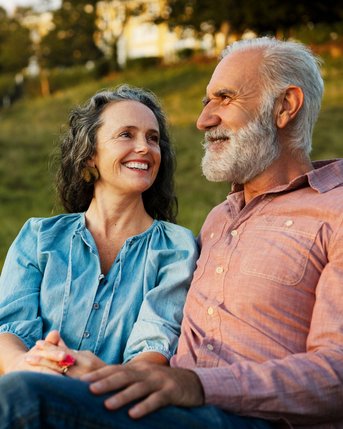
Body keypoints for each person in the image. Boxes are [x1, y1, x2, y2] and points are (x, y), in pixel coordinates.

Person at [0, 36, 342, 429]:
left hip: (244, 416)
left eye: (224, 98)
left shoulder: (334, 211)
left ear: (285, 107)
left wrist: (194, 384)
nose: (203, 120)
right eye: (205, 102)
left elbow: (337, 374)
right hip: (164, 409)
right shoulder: (218, 221)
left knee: (24, 399)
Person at [0, 84, 198, 377]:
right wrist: (23, 366)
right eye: (126, 135)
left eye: (153, 138)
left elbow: (154, 346)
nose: (145, 147)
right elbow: (8, 329)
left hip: (114, 409)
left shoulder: (177, 248)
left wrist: (96, 376)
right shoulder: (39, 237)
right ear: (90, 154)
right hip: (27, 391)